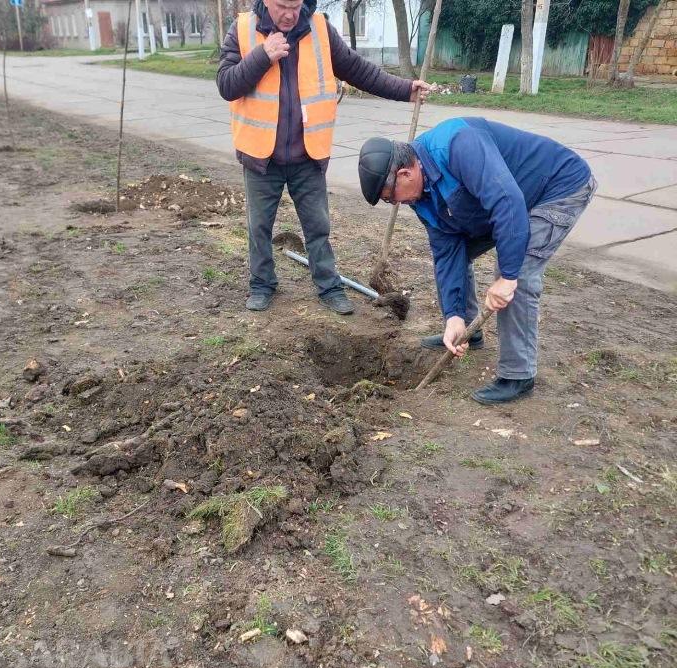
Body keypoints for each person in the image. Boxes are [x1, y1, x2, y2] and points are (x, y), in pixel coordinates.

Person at [357, 118, 596, 404]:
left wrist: (507, 278)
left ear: (405, 173)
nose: (394, 203)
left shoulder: (459, 145)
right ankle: (469, 330)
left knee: (518, 270)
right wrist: (453, 316)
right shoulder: (419, 196)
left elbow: (507, 203)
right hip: (505, 201)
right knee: (462, 254)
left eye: (389, 197)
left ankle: (518, 374)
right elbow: (448, 253)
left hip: (556, 187)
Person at [217, 0, 429, 314]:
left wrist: (404, 89)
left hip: (307, 155)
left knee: (318, 227)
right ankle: (262, 284)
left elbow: (357, 69)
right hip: (261, 156)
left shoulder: (318, 28)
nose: (289, 14)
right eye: (281, 7)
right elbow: (226, 84)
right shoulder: (243, 29)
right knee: (259, 227)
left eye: (295, 5)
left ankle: (329, 287)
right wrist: (263, 56)